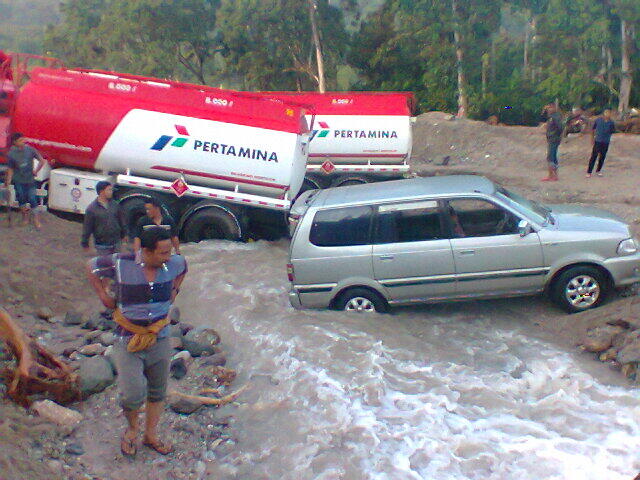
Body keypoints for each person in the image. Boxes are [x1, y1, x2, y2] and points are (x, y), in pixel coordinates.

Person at [85, 226, 187, 457]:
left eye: (169, 252)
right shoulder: (121, 263)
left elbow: (184, 267)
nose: (168, 257)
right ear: (146, 252)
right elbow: (90, 267)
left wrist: (175, 290)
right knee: (131, 393)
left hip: (159, 338)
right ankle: (132, 429)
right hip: (127, 339)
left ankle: (150, 435)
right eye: (162, 253)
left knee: (157, 391)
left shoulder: (173, 263)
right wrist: (103, 295)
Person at [4, 133, 46, 228]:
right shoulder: (11, 154)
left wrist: (36, 171)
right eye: (21, 140)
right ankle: (25, 217)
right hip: (18, 180)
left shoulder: (30, 150)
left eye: (23, 139)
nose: (23, 142)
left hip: (30, 179)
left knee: (32, 199)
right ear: (15, 142)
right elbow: (10, 168)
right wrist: (8, 181)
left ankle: (36, 219)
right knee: (21, 199)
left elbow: (42, 160)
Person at [82, 181, 125, 255]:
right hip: (101, 246)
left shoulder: (115, 205)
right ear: (101, 191)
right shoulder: (91, 209)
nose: (111, 192)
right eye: (109, 190)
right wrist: (85, 243)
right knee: (104, 265)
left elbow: (121, 221)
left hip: (116, 243)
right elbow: (87, 227)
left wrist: (124, 234)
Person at [586, 109, 616, 177]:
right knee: (594, 156)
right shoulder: (598, 120)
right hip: (598, 140)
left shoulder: (611, 122)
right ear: (604, 113)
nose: (607, 114)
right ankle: (589, 171)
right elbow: (593, 129)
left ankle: (598, 170)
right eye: (606, 112)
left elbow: (613, 131)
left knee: (602, 156)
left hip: (606, 141)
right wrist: (592, 138)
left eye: (609, 113)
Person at [541, 103, 564, 182]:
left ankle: (552, 175)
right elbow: (542, 118)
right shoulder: (552, 117)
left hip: (554, 139)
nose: (548, 109)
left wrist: (555, 135)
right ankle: (553, 175)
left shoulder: (555, 117)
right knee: (552, 157)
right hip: (552, 138)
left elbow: (560, 127)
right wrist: (544, 110)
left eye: (550, 108)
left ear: (554, 108)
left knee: (550, 157)